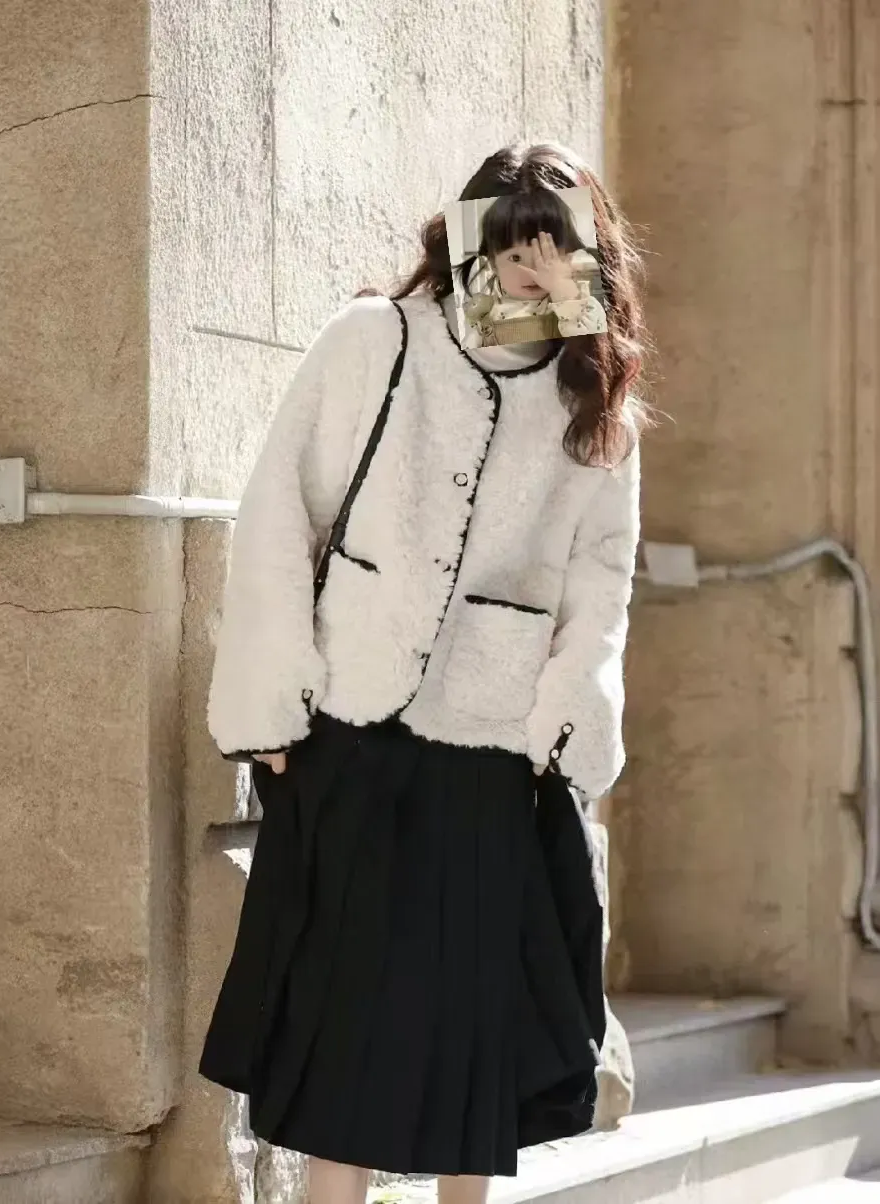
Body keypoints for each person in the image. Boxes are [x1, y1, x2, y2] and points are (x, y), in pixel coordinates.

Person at [198, 141, 651, 1204]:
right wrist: (273, 696)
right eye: (512, 253)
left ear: (589, 260)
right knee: (340, 1011)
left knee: (470, 1019)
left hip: (493, 744)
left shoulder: (595, 405)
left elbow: (601, 582)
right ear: (466, 241)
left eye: (553, 257)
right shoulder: (376, 340)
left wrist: (568, 713)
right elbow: (279, 513)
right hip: (349, 723)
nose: (530, 278)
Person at [457, 191, 609, 348]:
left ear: (568, 258)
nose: (532, 272)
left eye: (544, 256)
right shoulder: (487, 313)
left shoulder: (578, 305)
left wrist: (563, 290)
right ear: (494, 265)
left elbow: (593, 344)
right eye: (515, 258)